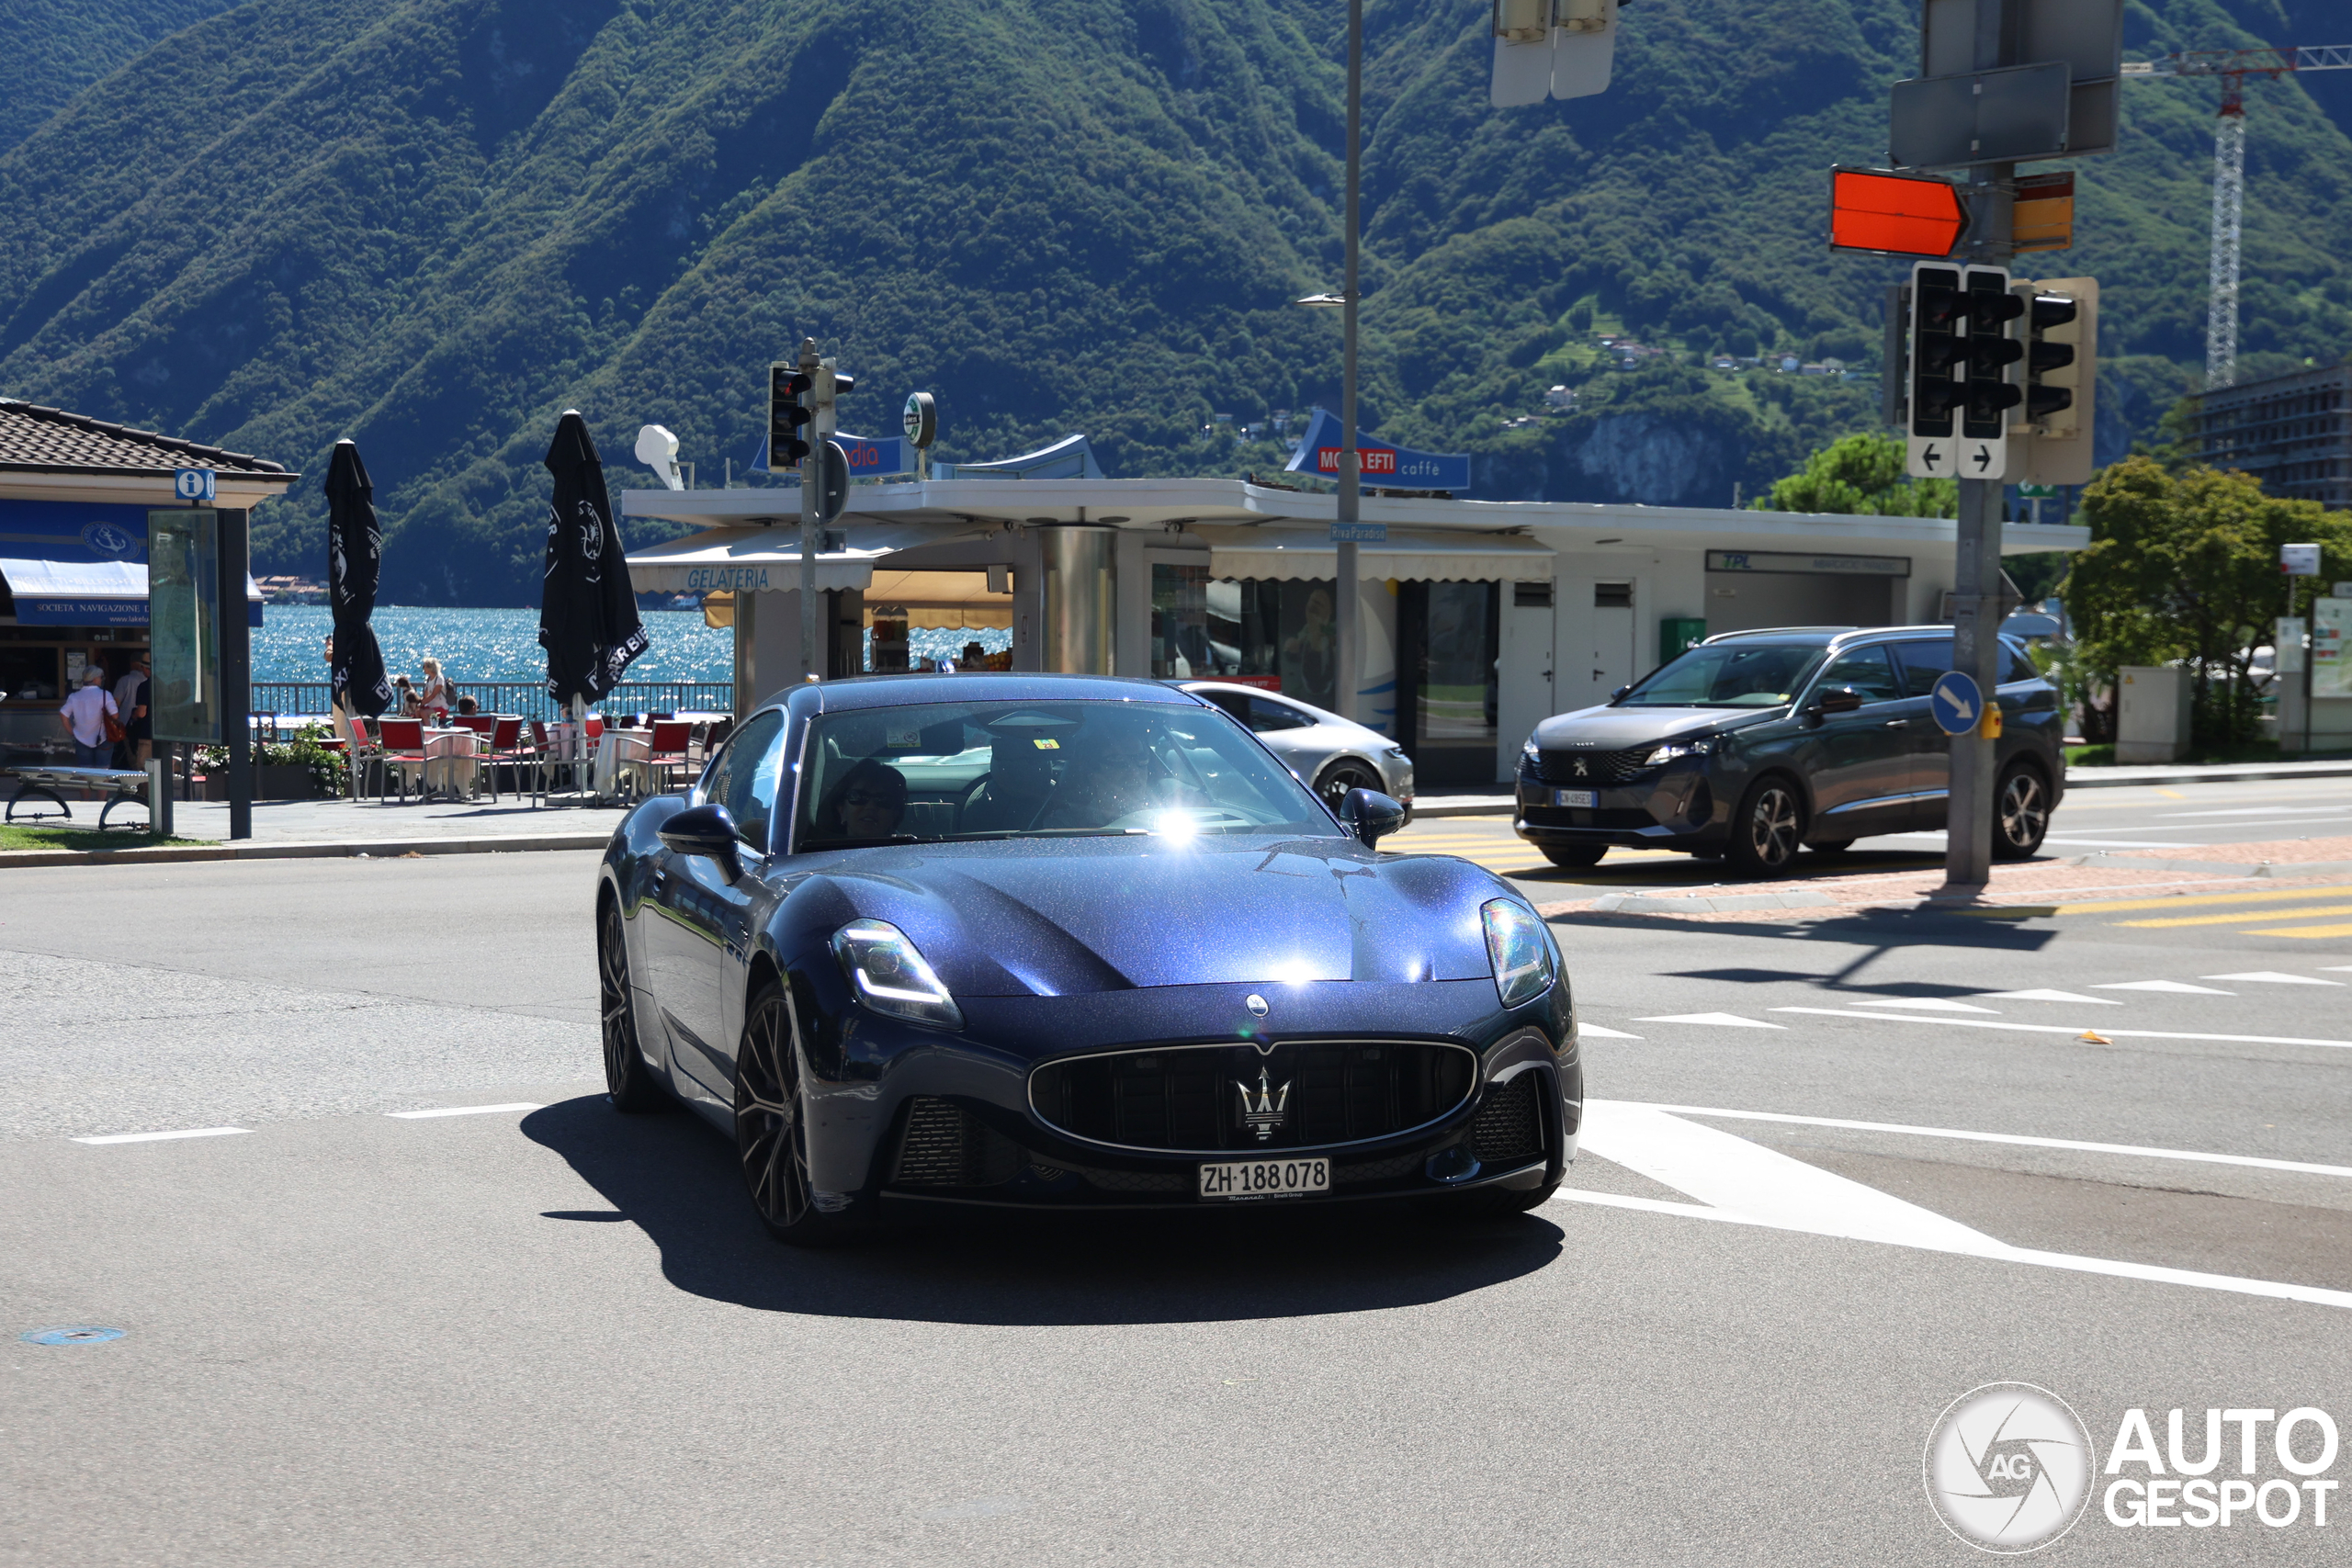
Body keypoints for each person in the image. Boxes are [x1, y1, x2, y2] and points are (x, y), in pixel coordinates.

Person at [814, 758, 908, 840]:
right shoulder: (813, 853)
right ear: (842, 810)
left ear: (895, 814)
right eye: (858, 797)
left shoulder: (909, 855)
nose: (870, 806)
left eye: (883, 800)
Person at [58, 667, 119, 769]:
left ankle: (86, 785)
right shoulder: (105, 695)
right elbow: (115, 715)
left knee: (85, 773)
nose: (102, 680)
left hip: (81, 738)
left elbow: (63, 713)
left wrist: (71, 731)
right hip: (103, 737)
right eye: (101, 677)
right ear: (95, 679)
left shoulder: (74, 696)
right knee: (103, 772)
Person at [115, 652, 153, 770]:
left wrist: (134, 713)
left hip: (141, 730)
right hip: (163, 733)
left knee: (141, 767)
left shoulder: (140, 685)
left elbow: (141, 712)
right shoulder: (164, 685)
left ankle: (142, 788)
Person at [414, 658, 451, 722]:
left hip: (441, 707)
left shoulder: (439, 678)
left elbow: (433, 695)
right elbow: (426, 696)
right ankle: (420, 728)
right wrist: (419, 704)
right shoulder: (429, 679)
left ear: (430, 668)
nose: (423, 668)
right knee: (417, 711)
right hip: (431, 706)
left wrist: (422, 704)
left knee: (424, 713)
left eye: (424, 666)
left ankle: (429, 730)